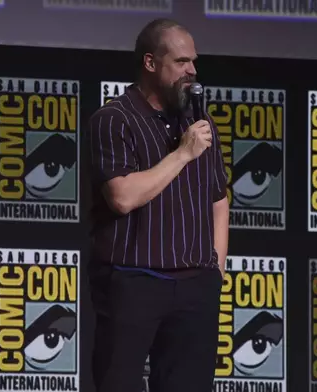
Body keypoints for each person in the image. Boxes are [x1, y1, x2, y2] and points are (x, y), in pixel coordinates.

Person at [87, 18, 230, 392]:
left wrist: (215, 269)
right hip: (132, 283)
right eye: (181, 62)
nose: (192, 70)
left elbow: (219, 199)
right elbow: (122, 197)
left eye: (194, 62)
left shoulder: (200, 124)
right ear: (151, 63)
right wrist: (182, 154)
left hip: (195, 286)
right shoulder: (113, 120)